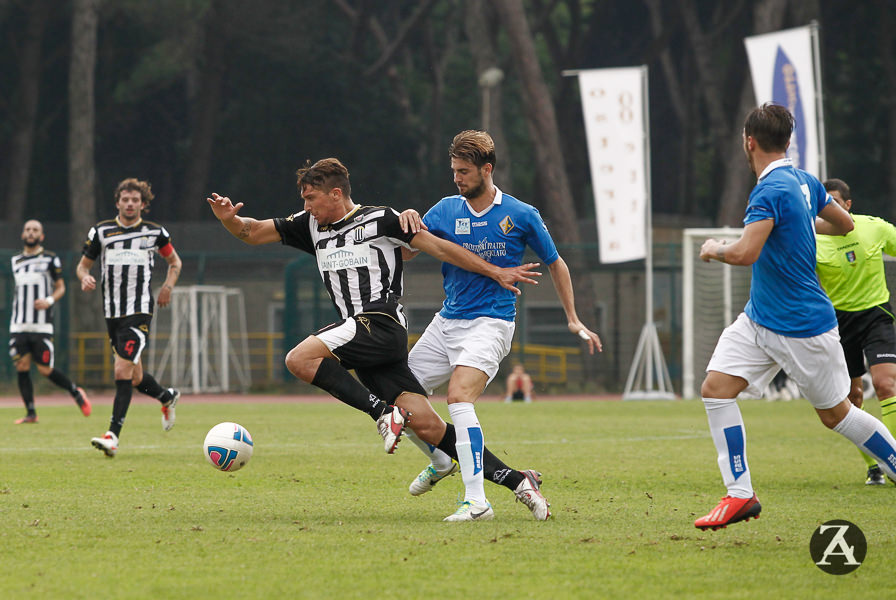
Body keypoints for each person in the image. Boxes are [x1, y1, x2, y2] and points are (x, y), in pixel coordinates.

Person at [207, 158, 549, 521]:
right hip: (359, 338)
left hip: (381, 324)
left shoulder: (382, 219)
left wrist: (495, 270)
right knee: (428, 426)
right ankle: (518, 481)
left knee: (298, 359)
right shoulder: (309, 226)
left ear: (335, 194)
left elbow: (441, 249)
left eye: (311, 198)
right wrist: (229, 219)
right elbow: (253, 231)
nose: (306, 206)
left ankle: (384, 415)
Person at [694, 103, 896, 531]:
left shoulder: (769, 191)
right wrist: (800, 223)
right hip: (759, 319)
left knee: (837, 415)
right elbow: (843, 224)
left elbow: (746, 253)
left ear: (748, 142)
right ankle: (740, 495)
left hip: (802, 326)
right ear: (787, 142)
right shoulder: (803, 181)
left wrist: (714, 247)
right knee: (715, 389)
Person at [398, 129, 602, 522]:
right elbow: (407, 253)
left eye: (464, 171)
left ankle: (477, 503)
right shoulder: (443, 210)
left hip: (491, 322)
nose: (457, 178)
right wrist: (409, 222)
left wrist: (574, 319)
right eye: (454, 170)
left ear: (486, 169)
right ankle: (442, 460)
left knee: (458, 398)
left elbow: (556, 263)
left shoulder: (522, 215)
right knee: (400, 398)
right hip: (447, 321)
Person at [76, 178, 182, 457]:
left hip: (139, 312)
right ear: (118, 202)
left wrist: (167, 287)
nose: (130, 204)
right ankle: (166, 397)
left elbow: (174, 262)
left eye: (135, 200)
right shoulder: (101, 232)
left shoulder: (154, 232)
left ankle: (112, 435)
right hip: (112, 313)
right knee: (134, 377)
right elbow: (82, 266)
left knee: (121, 371)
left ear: (143, 204)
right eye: (126, 199)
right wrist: (85, 277)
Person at [815, 177, 896, 485]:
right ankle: (875, 465)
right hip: (838, 323)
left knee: (885, 384)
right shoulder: (813, 239)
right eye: (824, 206)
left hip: (876, 315)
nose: (830, 210)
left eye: (835, 203)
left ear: (848, 205)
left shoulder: (873, 227)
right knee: (852, 396)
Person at [9, 220, 91, 423]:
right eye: (27, 229)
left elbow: (61, 287)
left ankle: (75, 392)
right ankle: (31, 413)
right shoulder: (15, 261)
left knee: (45, 369)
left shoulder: (50, 259)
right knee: (22, 365)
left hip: (41, 325)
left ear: (42, 236)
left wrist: (48, 301)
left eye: (35, 230)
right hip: (18, 324)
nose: (30, 232)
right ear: (22, 234)